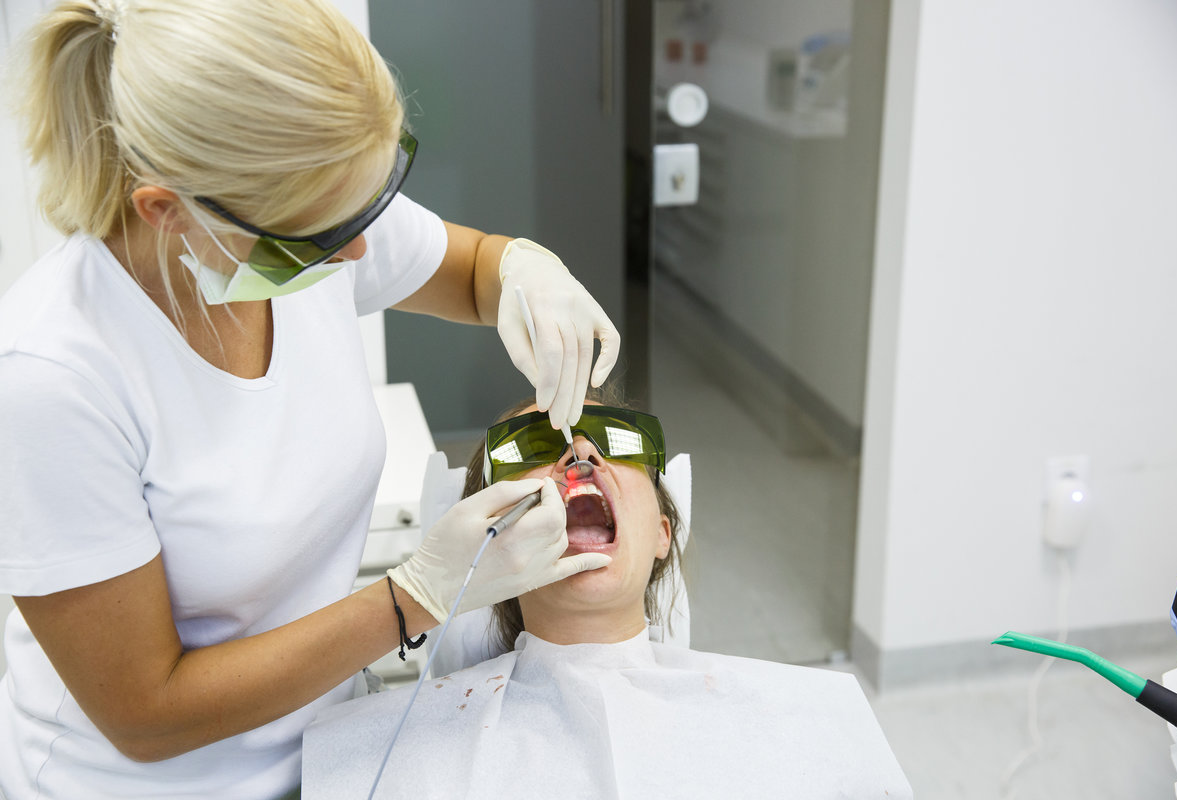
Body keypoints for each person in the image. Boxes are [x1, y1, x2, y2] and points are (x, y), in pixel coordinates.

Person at [0, 2, 621, 798]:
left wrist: (529, 269)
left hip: (331, 743)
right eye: (327, 233)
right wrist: (417, 594)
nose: (361, 249)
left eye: (369, 203)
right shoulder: (52, 379)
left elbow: (469, 268)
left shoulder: (308, 215)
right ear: (169, 209)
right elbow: (145, 715)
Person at [302, 396, 913, 798]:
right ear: (486, 535)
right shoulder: (385, 756)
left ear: (662, 533)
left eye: (616, 441)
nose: (582, 454)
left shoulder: (804, 724)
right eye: (536, 445)